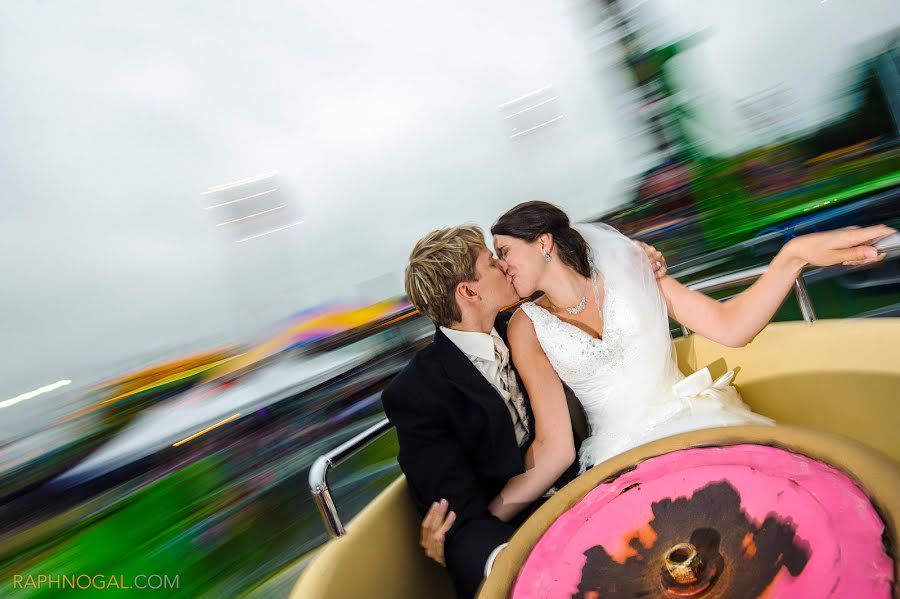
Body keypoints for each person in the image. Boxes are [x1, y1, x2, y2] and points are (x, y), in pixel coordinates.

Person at [485, 201, 894, 513]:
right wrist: (488, 515)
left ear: (543, 242)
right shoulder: (526, 327)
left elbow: (731, 327)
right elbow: (554, 447)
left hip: (696, 425)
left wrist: (793, 256)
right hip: (620, 460)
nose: (502, 266)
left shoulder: (633, 272)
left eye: (504, 251)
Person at [382, 224, 667, 598]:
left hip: (583, 482)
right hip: (514, 533)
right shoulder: (417, 395)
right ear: (469, 292)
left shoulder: (527, 321)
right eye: (491, 261)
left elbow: (577, 283)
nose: (504, 264)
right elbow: (456, 522)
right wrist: (514, 562)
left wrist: (637, 264)